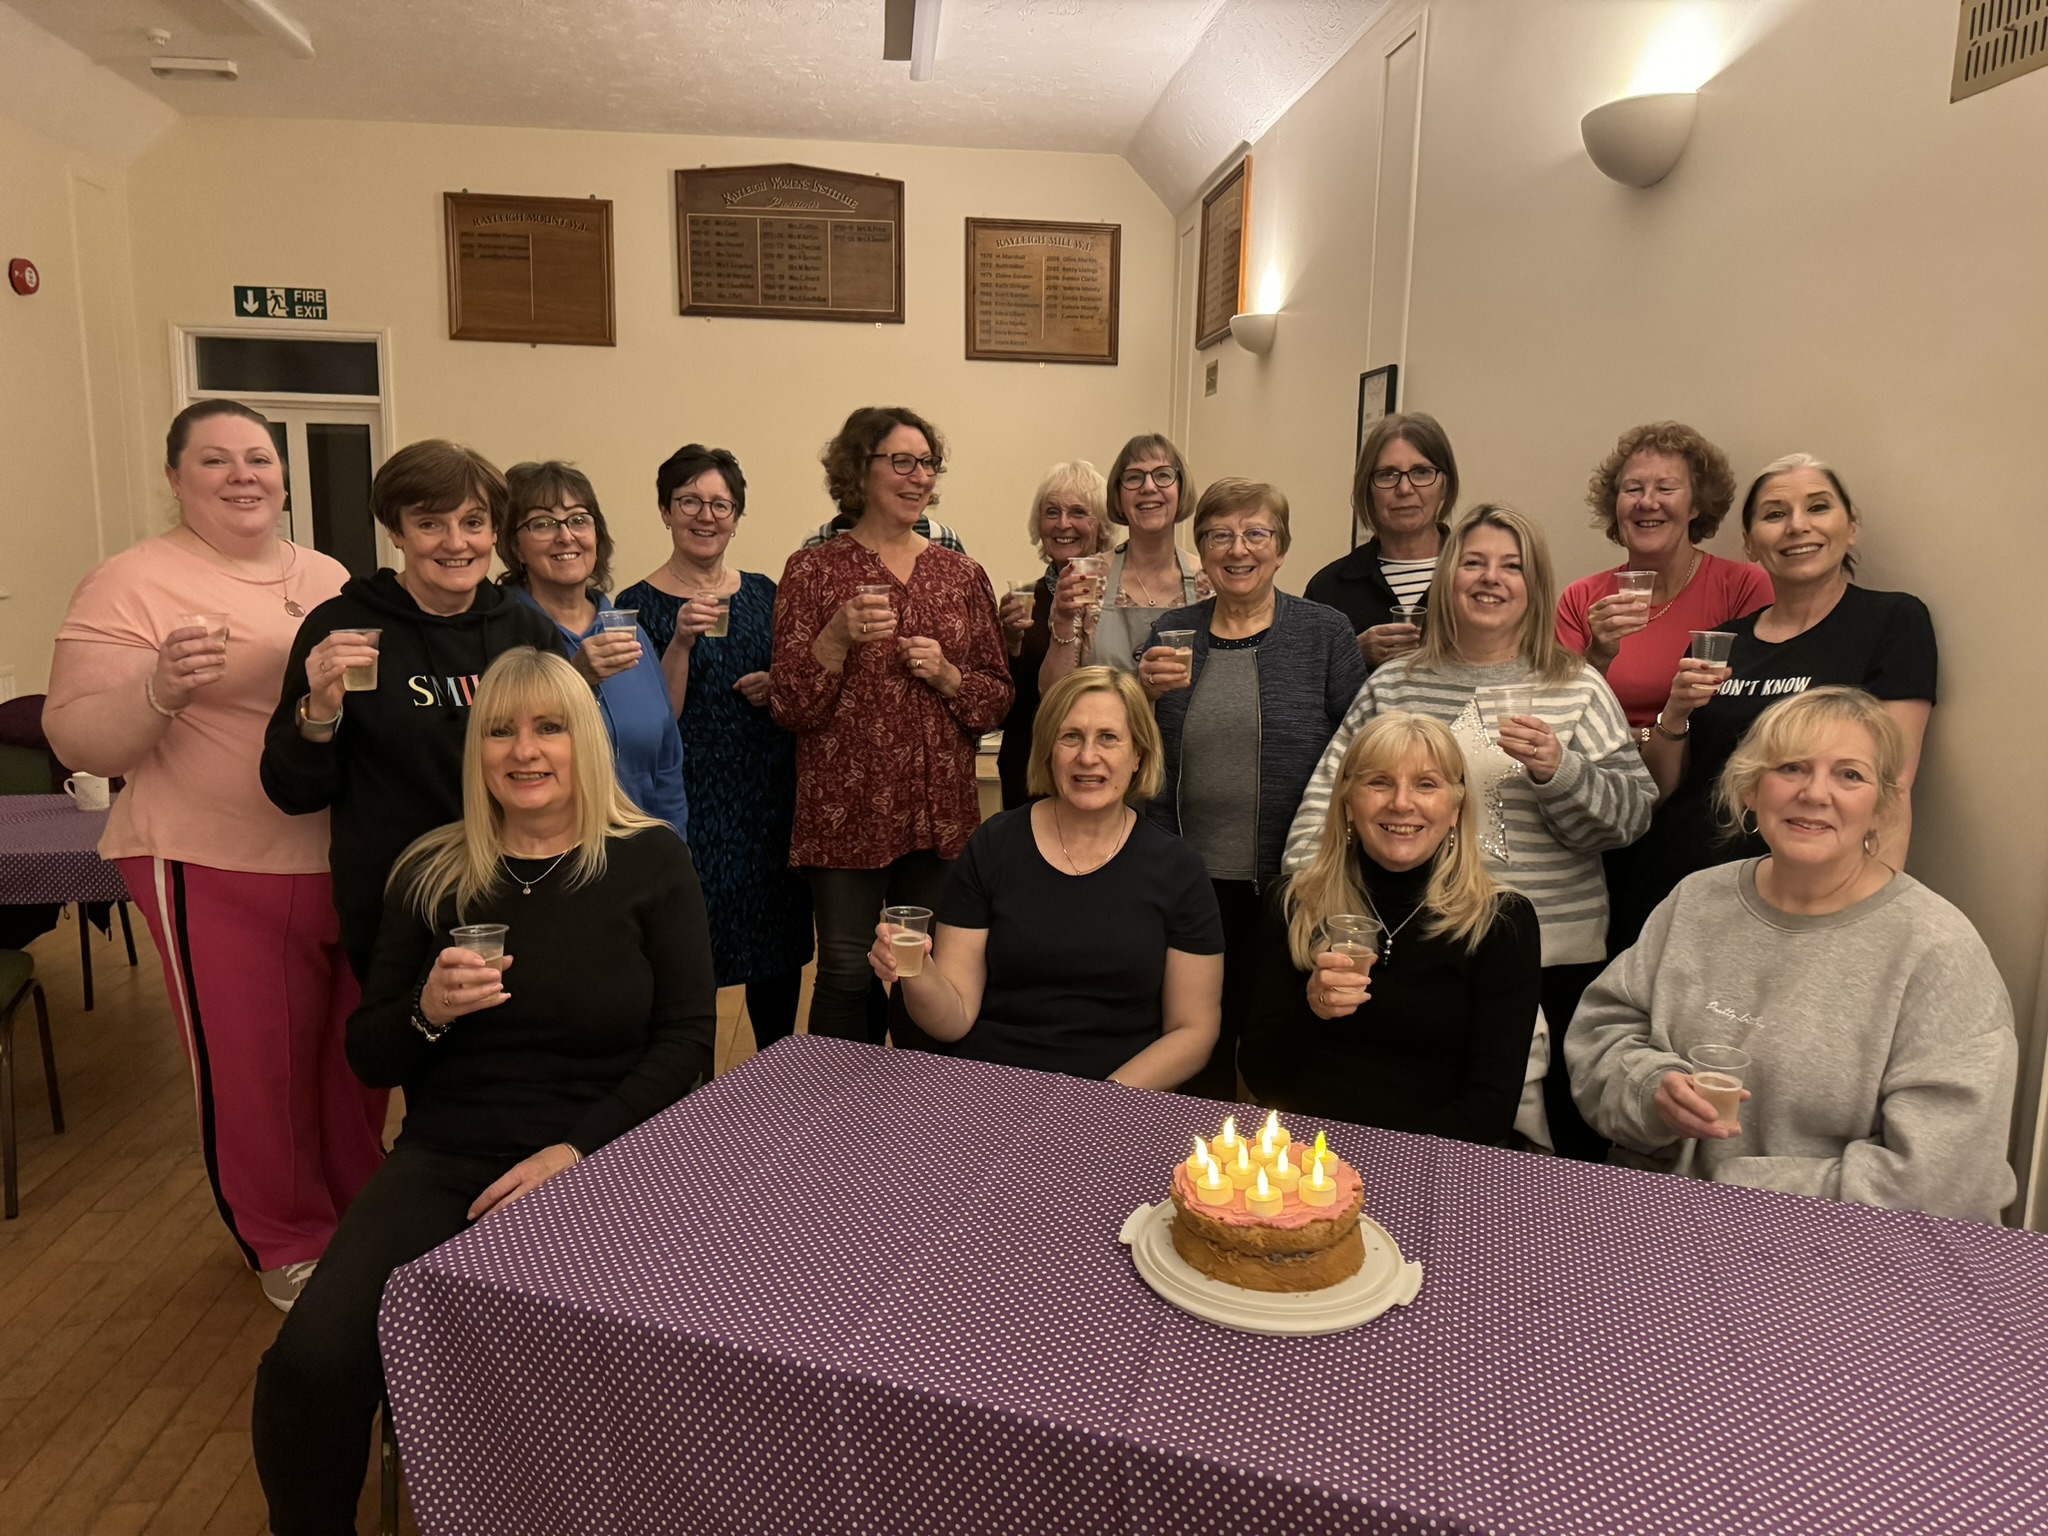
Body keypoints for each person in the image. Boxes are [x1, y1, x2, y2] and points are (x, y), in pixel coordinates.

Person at [250, 647, 716, 1533]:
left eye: (548, 727)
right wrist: (426, 1009)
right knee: (312, 1359)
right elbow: (368, 1054)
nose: (524, 750)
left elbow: (688, 1041)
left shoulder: (649, 860)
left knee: (605, 1366)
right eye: (501, 729)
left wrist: (572, 1152)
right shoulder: (432, 870)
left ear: (585, 739)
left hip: (609, 1154)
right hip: (449, 1156)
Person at [44, 399, 383, 1313]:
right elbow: (76, 738)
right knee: (257, 1064)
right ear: (174, 478)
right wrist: (157, 690)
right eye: (216, 460)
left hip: (340, 856)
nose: (244, 475)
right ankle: (286, 1237)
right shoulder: (131, 581)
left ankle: (366, 1213)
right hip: (213, 860)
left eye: (259, 459)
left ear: (283, 475)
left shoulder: (325, 572)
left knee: (354, 1055)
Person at [1284, 502, 1654, 1160]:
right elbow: (1329, 798)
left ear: (1535, 586)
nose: (1491, 578)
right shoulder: (1395, 684)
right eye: (1475, 563)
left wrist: (1559, 772)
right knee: (1422, 1139)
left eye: (1512, 567)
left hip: (1553, 961)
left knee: (1538, 1157)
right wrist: (1309, 910)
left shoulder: (1578, 687)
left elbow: (1630, 818)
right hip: (1423, 953)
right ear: (1448, 579)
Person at [1568, 688, 2014, 1222]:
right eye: (1792, 768)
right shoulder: (1697, 901)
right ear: (1751, 789)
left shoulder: (1937, 950)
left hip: (1835, 1255)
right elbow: (1602, 1036)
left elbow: (1945, 1178)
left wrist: (1734, 1189)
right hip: (1656, 1218)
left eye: (1850, 775)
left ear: (1882, 806)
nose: (1815, 793)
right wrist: (1650, 1092)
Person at [260, 440, 561, 979]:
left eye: (473, 522)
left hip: (519, 891)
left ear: (495, 531)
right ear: (395, 532)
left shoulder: (525, 629)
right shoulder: (343, 627)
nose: (456, 543)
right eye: (429, 524)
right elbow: (293, 792)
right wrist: (321, 710)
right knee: (414, 1053)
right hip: (400, 903)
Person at [771, 406, 1013, 1045]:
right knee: (848, 971)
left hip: (938, 811)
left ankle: (916, 1117)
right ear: (860, 469)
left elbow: (996, 699)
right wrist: (834, 637)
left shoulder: (962, 575)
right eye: (900, 462)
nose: (918, 477)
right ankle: (833, 1121)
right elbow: (790, 706)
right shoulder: (813, 571)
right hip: (844, 807)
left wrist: (947, 675)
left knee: (922, 973)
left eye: (927, 463)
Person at [869, 667, 1223, 1083]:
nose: (1087, 757)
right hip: (992, 1083)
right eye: (1070, 736)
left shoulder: (1177, 868)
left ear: (1138, 756)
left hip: (1115, 1095)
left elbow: (1193, 1032)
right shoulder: (994, 845)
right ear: (1048, 752)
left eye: (1108, 737)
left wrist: (1099, 1101)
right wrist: (916, 969)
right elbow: (953, 1019)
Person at [1636, 453, 1936, 931]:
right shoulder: (1721, 640)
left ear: (1851, 526)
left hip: (1803, 896)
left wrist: (1870, 920)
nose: (1798, 526)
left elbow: (1891, 786)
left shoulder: (1892, 622)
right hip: (1685, 886)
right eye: (1775, 514)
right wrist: (1673, 715)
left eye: (1818, 507)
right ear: (1750, 544)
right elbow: (1660, 787)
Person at [1137, 477, 1366, 1098]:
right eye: (1219, 535)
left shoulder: (1325, 633)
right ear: (1202, 551)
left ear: (1281, 547)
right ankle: (1188, 1171)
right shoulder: (1171, 630)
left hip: (1291, 881)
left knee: (1274, 1047)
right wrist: (1144, 696)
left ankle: (1272, 1180)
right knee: (1194, 1040)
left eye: (1255, 533)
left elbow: (1358, 752)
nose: (1238, 549)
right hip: (1185, 877)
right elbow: (1135, 751)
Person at [1243, 713, 1541, 1144]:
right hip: (1307, 1161)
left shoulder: (1501, 922)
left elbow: (1491, 1105)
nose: (1401, 803)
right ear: (1348, 801)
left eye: (1426, 784)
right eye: (1379, 782)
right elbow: (1261, 1076)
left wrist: (1385, 1163)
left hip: (1436, 1161)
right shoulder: (1292, 903)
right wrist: (1310, 1008)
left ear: (1456, 808)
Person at [617, 444, 813, 1051]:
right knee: (689, 960)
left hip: (766, 799)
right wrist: (678, 643)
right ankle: (691, 1108)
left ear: (737, 515)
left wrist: (780, 684)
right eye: (690, 502)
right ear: (665, 511)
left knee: (776, 962)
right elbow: (654, 718)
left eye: (720, 505)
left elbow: (802, 687)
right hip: (687, 805)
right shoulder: (634, 606)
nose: (706, 516)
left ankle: (779, 1094)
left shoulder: (764, 593)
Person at [1557, 424, 1773, 952]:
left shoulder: (1743, 585)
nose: (1646, 502)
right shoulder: (1583, 597)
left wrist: (1651, 732)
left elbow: (1747, 705)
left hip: (1706, 813)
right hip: (1607, 809)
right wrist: (1600, 653)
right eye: (1632, 489)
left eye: (1666, 488)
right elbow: (1558, 715)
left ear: (1697, 503)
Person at [499, 459, 688, 833]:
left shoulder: (627, 630)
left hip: (644, 852)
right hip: (555, 856)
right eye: (542, 523)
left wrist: (674, 848)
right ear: (516, 547)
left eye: (579, 519)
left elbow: (666, 755)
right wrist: (575, 678)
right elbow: (498, 749)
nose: (565, 536)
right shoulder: (502, 632)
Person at [1041, 434, 1208, 683]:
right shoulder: (1087, 577)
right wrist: (1063, 621)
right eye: (1134, 477)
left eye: (1163, 475)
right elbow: (1053, 692)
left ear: (1181, 489)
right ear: (1118, 496)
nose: (1148, 487)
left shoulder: (1208, 580)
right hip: (1105, 722)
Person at [1303, 411, 1461, 670]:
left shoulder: (1476, 579)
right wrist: (1352, 655)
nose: (1405, 489)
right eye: (1388, 475)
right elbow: (1301, 690)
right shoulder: (1329, 588)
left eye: (1421, 472)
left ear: (1445, 484)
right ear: (1368, 489)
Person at [995, 460, 1110, 808]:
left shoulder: (1124, 600)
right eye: (1052, 512)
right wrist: (1010, 645)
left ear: (1102, 526)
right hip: (1031, 774)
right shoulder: (1022, 601)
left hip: (1105, 774)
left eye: (1078, 512)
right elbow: (1000, 709)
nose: (1063, 524)